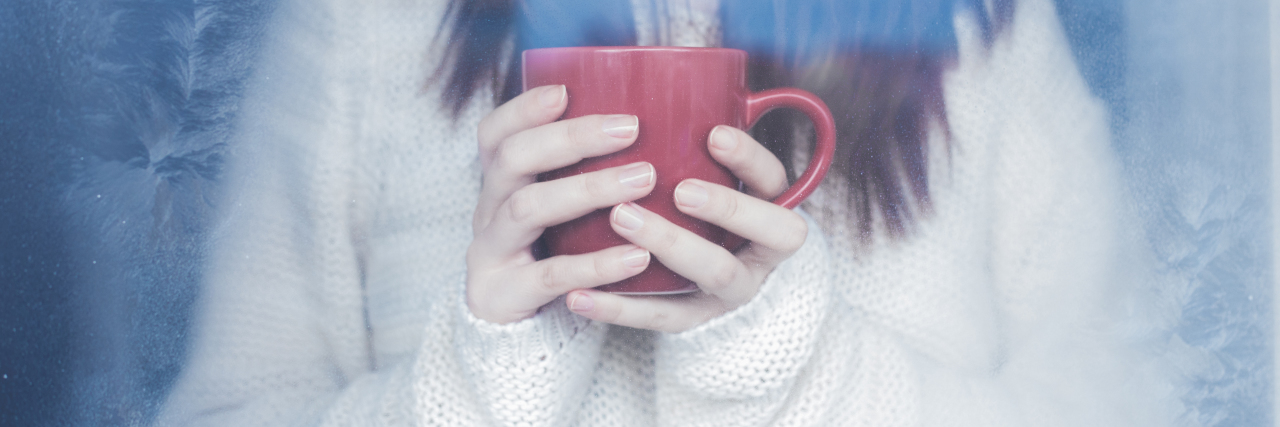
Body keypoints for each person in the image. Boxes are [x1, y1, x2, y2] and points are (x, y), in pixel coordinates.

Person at [157, 0, 1176, 425]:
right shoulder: (362, 24)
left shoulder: (980, 29)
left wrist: (805, 367)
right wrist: (469, 381)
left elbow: (1125, 406)